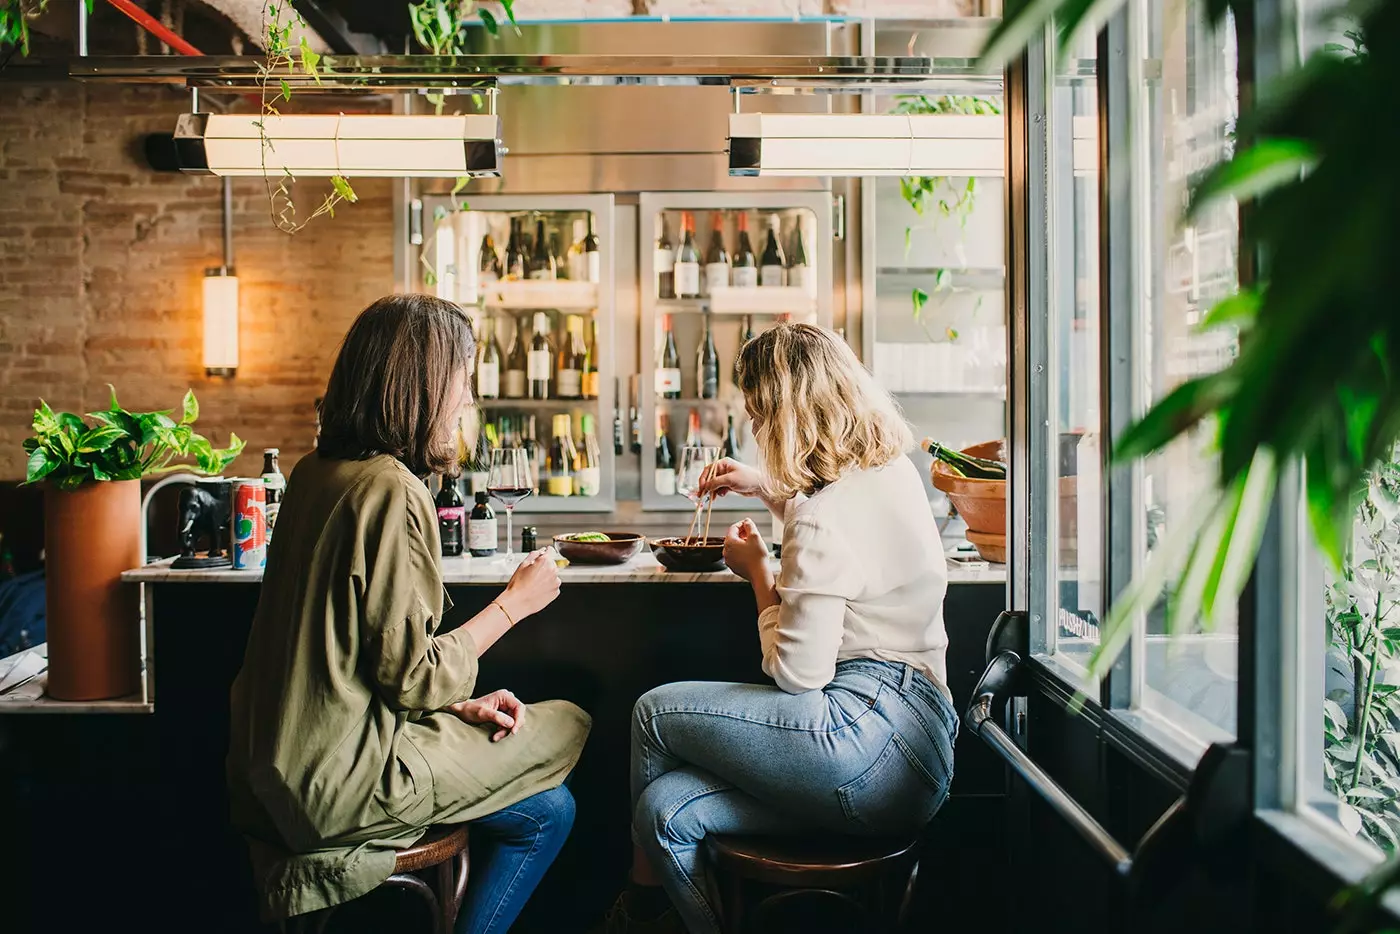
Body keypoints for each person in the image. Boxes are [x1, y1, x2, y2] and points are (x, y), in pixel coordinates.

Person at [228, 294, 591, 934]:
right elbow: (413, 675)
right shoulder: (392, 488)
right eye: (462, 380)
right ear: (420, 385)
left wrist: (454, 708)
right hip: (345, 783)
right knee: (568, 722)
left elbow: (348, 658)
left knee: (549, 806)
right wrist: (514, 604)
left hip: (268, 771)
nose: (467, 402)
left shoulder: (315, 472)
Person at [612, 322, 956, 934]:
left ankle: (637, 913)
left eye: (758, 413)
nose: (756, 427)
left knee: (651, 714)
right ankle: (652, 911)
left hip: (864, 740)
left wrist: (759, 575)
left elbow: (798, 674)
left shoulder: (822, 518)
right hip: (920, 750)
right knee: (666, 812)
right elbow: (833, 521)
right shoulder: (889, 471)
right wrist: (762, 486)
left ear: (784, 414)